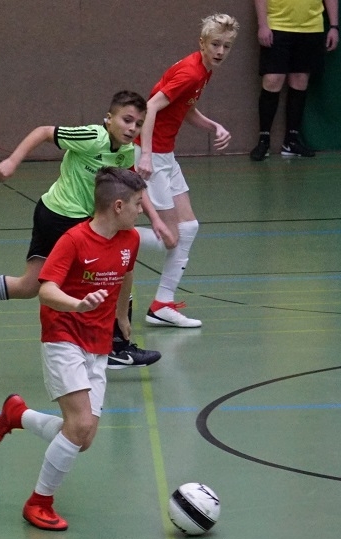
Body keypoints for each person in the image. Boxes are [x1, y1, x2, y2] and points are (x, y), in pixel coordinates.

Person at [0, 91, 167, 369]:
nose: (132, 128)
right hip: (63, 217)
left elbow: (131, 187)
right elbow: (43, 132)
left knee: (29, 286)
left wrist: (156, 219)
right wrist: (12, 161)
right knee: (114, 272)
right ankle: (117, 347)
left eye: (139, 124)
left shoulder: (125, 152)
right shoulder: (92, 137)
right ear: (109, 119)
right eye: (127, 120)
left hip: (59, 214)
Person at [0, 167, 146, 531]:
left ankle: (17, 415)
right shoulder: (73, 241)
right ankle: (38, 503)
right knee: (80, 424)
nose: (142, 210)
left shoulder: (130, 238)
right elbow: (45, 290)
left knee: (82, 438)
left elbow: (127, 273)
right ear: (118, 206)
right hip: (63, 334)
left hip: (98, 341)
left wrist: (122, 314)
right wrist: (78, 305)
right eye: (138, 203)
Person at [134, 13, 238, 329]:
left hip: (166, 155)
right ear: (202, 43)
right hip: (153, 155)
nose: (220, 51)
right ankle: (107, 235)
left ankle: (161, 305)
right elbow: (151, 106)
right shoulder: (191, 73)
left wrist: (213, 126)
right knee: (171, 237)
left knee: (188, 227)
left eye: (226, 46)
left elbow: (184, 108)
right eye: (215, 44)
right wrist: (146, 155)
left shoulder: (203, 70)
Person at [248, 0, 339, 161]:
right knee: (272, 80)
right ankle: (264, 141)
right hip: (277, 25)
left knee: (300, 81)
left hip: (311, 28)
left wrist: (334, 26)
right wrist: (262, 25)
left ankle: (291, 141)